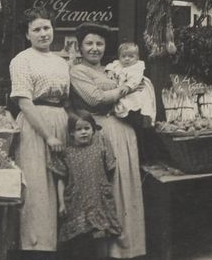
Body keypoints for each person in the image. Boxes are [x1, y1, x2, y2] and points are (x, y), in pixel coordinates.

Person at [67, 22, 146, 259]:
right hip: (99, 134)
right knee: (104, 190)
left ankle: (127, 249)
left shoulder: (113, 70)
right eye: (89, 43)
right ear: (80, 47)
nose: (94, 48)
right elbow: (94, 99)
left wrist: (124, 86)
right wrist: (124, 89)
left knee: (125, 188)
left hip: (122, 132)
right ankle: (106, 252)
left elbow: (142, 86)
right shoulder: (77, 71)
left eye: (99, 43)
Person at [9, 6, 69, 260]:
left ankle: (55, 249)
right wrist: (49, 136)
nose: (43, 33)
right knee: (36, 189)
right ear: (27, 34)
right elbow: (24, 102)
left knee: (59, 187)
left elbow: (65, 100)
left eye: (47, 28)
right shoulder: (22, 59)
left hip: (60, 122)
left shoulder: (61, 61)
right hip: (35, 127)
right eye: (37, 30)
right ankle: (34, 249)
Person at [55, 111, 122, 260]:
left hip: (98, 200)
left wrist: (103, 187)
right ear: (71, 133)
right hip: (76, 201)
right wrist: (61, 203)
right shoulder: (67, 153)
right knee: (79, 239)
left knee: (101, 235)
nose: (83, 132)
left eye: (87, 128)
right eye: (78, 130)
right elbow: (60, 178)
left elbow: (110, 169)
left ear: (93, 129)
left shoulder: (100, 148)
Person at [105, 42, 156, 125]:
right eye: (123, 56)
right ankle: (119, 113)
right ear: (119, 57)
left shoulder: (137, 66)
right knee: (121, 102)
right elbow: (110, 65)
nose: (127, 59)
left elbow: (136, 78)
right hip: (122, 89)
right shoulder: (117, 63)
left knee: (134, 103)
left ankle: (134, 116)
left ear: (137, 58)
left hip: (135, 88)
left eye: (131, 56)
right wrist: (110, 71)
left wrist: (128, 86)